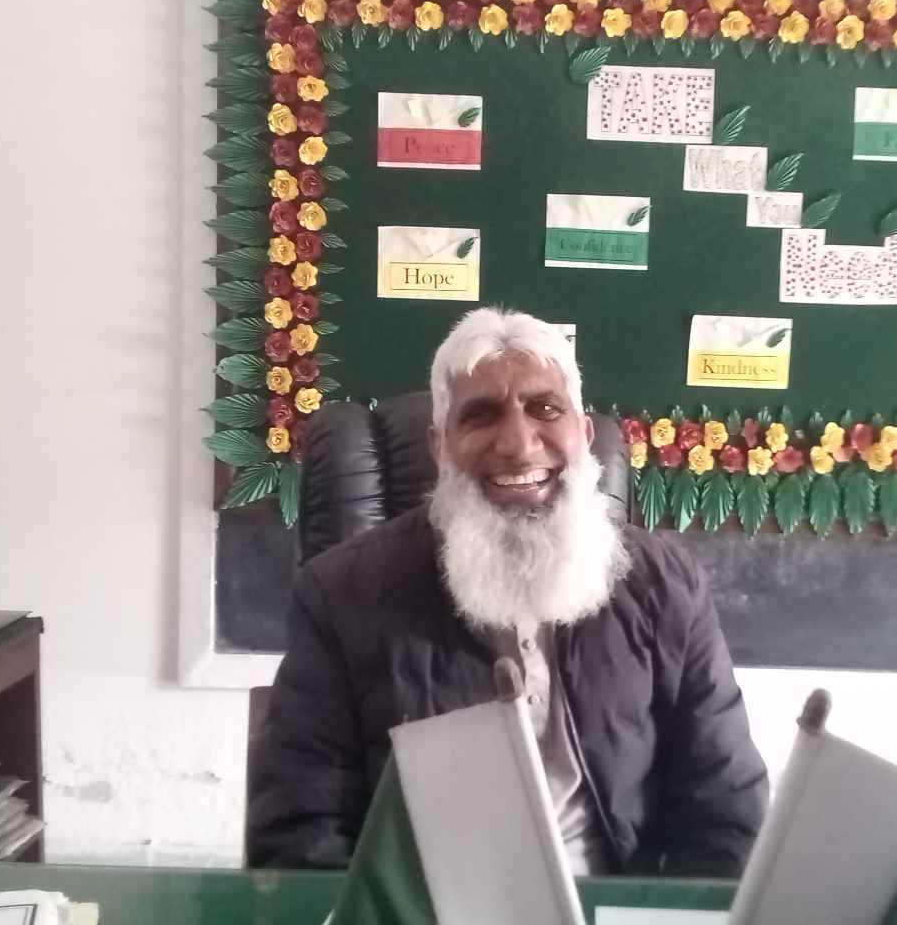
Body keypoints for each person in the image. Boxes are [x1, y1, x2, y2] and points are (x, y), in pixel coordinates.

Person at [248, 307, 768, 877]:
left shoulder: (665, 585)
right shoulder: (341, 593)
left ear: (584, 435)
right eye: (481, 415)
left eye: (545, 409)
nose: (519, 445)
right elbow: (301, 830)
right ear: (439, 447)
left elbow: (726, 807)